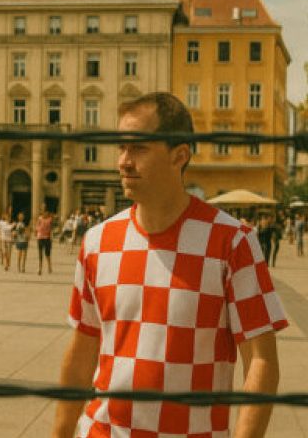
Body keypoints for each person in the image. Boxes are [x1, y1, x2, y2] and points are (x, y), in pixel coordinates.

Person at [53, 92, 287, 438]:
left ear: (180, 155)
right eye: (121, 148)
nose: (124, 161)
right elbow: (81, 351)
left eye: (139, 148)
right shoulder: (98, 241)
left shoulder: (232, 242)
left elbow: (261, 361)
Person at [35, 207, 54, 276]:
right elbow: (36, 226)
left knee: (47, 254)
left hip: (47, 238)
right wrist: (37, 232)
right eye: (44, 212)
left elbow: (51, 228)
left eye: (46, 212)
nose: (45, 214)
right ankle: (40, 268)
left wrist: (51, 237)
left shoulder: (50, 219)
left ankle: (49, 266)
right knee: (40, 254)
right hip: (40, 238)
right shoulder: (39, 219)